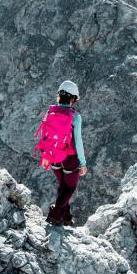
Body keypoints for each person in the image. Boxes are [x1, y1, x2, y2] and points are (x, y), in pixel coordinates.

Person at [46, 80, 88, 226]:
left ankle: (66, 216)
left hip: (54, 157)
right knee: (69, 188)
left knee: (62, 187)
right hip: (69, 159)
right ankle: (56, 213)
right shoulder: (75, 117)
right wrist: (82, 163)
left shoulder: (51, 112)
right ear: (72, 99)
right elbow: (78, 142)